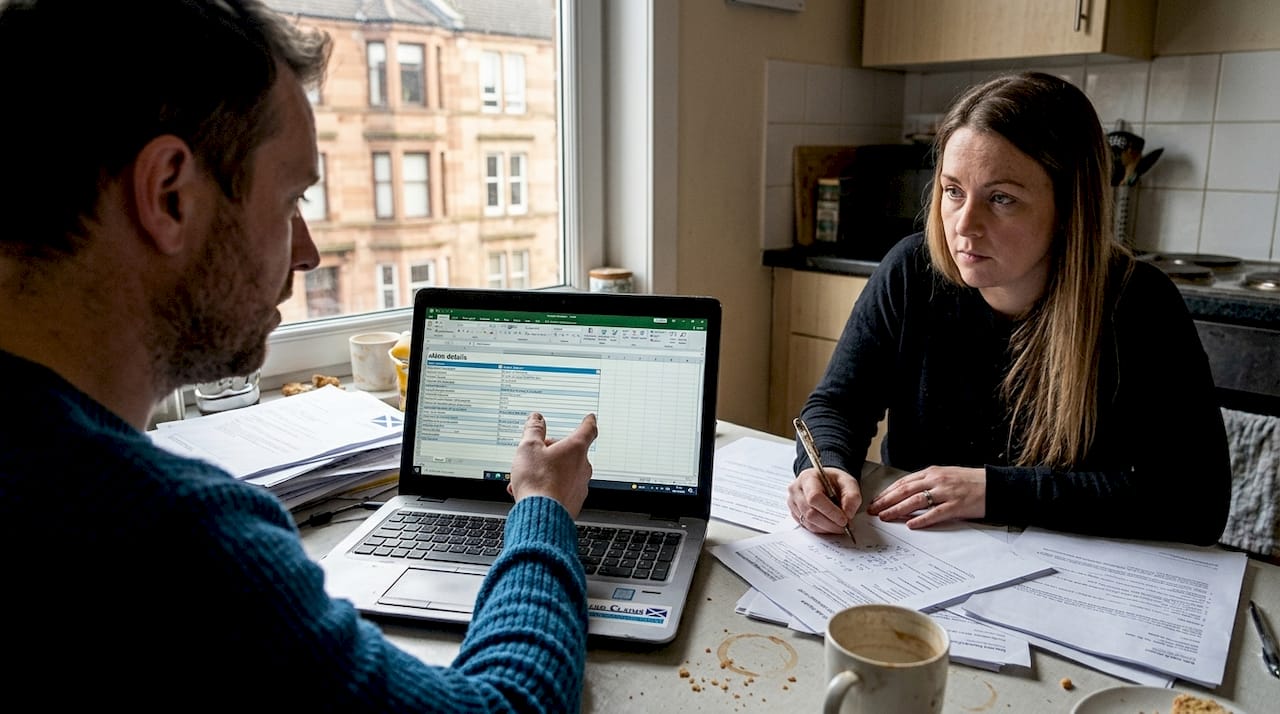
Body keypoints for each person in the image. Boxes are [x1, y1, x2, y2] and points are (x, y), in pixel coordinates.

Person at [0, 1, 597, 710]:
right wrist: (540, 508)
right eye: (289, 203)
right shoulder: (168, 540)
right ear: (169, 195)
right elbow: (507, 706)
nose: (309, 252)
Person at [787, 71, 1231, 547]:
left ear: (1068, 209)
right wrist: (825, 465)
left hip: (1073, 566)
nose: (964, 226)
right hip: (921, 552)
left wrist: (993, 490)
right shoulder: (911, 271)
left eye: (1001, 199)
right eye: (953, 191)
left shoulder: (1139, 303)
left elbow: (1197, 503)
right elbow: (838, 404)